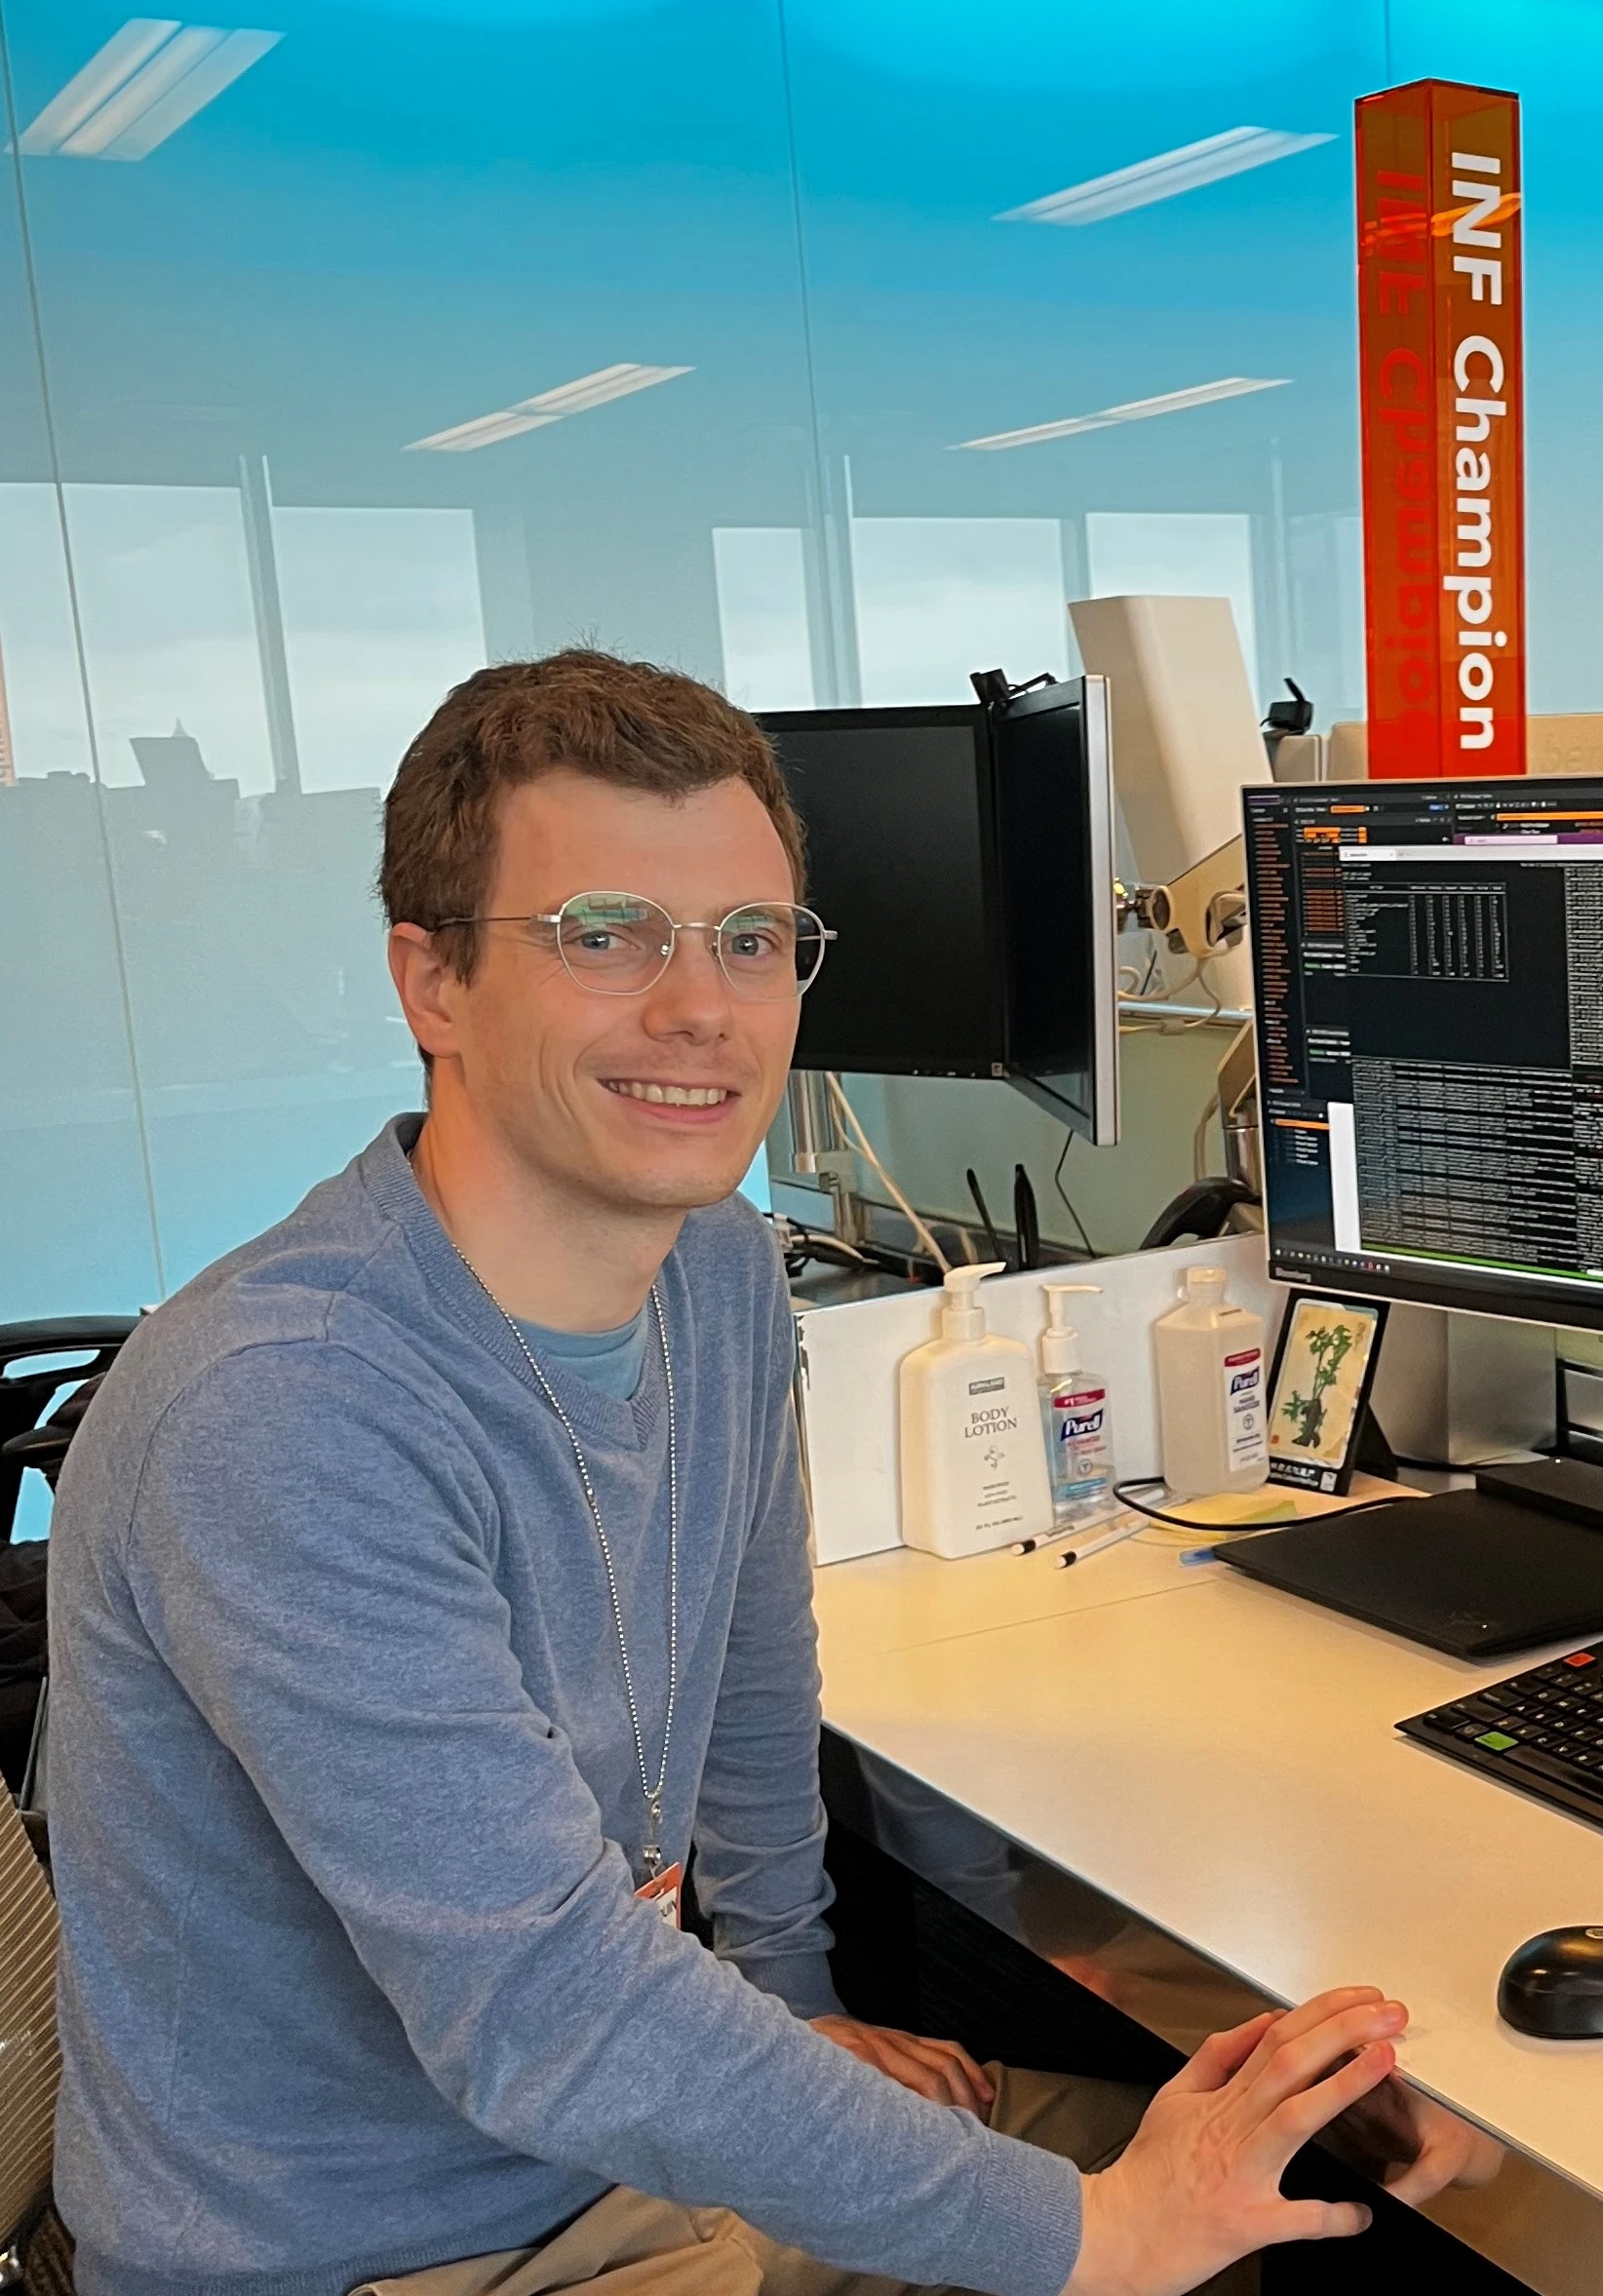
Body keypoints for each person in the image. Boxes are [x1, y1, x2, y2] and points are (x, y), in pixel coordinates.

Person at [47, 650, 1483, 2296]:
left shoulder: (719, 1273)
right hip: (404, 2254)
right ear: (431, 982)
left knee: (1329, 2193)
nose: (700, 1008)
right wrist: (1100, 2232)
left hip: (616, 2162)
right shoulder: (287, 1410)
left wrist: (796, 2003)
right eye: (605, 935)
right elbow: (547, 2017)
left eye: (750, 940)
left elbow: (746, 1665)